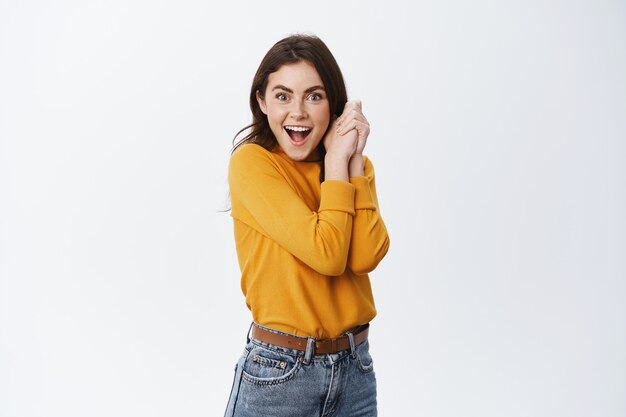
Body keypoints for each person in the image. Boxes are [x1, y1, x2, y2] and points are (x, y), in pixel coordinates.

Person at [224, 34, 390, 417]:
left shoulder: (352, 167)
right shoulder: (252, 164)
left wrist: (351, 162)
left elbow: (365, 256)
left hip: (355, 371)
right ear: (261, 101)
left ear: (333, 104)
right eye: (283, 96)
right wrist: (337, 164)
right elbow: (327, 255)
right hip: (280, 376)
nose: (297, 111)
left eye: (314, 96)